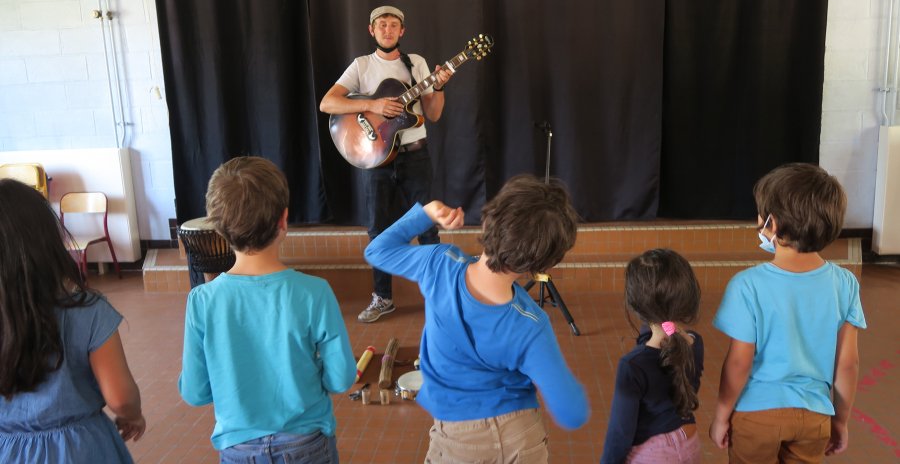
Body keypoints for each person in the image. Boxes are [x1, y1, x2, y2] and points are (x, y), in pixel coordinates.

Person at [364, 174, 590, 463]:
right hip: (519, 438)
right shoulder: (531, 324)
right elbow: (572, 413)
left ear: (487, 221)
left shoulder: (439, 264)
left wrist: (426, 214)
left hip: (456, 439)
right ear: (542, 265)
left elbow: (376, 250)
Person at [178, 156, 356, 462]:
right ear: (283, 220)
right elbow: (340, 379)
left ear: (219, 228)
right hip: (306, 444)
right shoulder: (314, 292)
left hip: (238, 448)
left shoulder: (201, 301)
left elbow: (195, 393)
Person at [709, 163, 867, 463]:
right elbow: (848, 364)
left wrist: (721, 415)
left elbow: (740, 361)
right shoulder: (845, 283)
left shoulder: (747, 285)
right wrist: (840, 422)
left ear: (773, 223)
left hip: (757, 414)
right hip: (815, 416)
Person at [320, 5, 454, 323]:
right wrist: (373, 104)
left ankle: (437, 297)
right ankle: (382, 298)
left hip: (416, 156)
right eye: (382, 25)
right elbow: (328, 103)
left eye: (394, 25)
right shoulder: (362, 66)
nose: (388, 29)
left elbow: (433, 114)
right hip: (378, 160)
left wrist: (439, 86)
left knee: (427, 227)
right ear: (372, 30)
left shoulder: (417, 64)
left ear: (402, 31)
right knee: (378, 230)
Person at [0, 178, 145, 463]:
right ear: (47, 239)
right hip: (79, 448)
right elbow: (120, 397)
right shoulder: (88, 309)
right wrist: (133, 415)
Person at [600, 249, 704, 464]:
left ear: (636, 306)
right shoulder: (694, 342)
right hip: (690, 442)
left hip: (652, 454)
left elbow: (620, 433)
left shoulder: (633, 365)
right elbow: (665, 333)